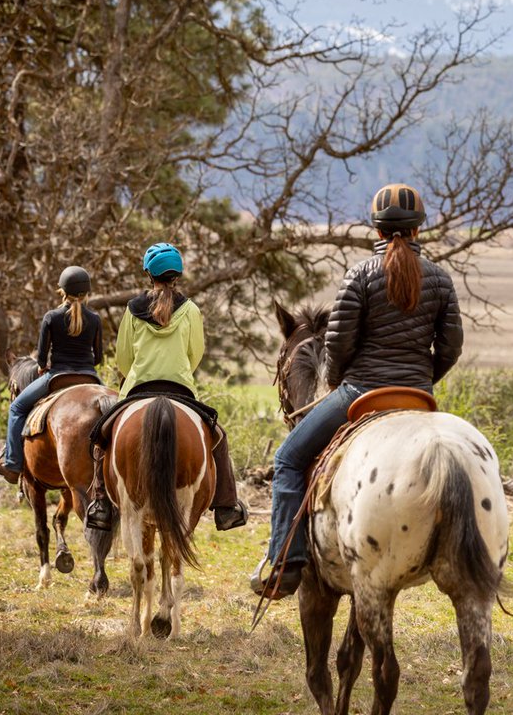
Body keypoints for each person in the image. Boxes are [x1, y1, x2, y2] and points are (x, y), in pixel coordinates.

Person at [253, 183, 464, 599]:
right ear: (419, 229)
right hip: (418, 397)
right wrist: (422, 381)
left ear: (378, 229)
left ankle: (285, 562)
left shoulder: (360, 275)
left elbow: (338, 343)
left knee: (288, 459)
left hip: (362, 392)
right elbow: (451, 347)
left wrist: (337, 380)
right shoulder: (440, 280)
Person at [84, 243, 248, 533]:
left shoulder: (132, 310)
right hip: (180, 389)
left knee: (101, 437)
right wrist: (178, 369)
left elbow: (123, 358)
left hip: (138, 388)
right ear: (177, 275)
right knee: (219, 439)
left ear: (149, 274)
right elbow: (195, 353)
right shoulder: (191, 310)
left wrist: (137, 372)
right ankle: (226, 506)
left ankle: (100, 503)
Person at [0, 266, 103, 483]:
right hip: (90, 378)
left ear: (62, 291)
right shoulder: (95, 319)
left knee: (16, 408)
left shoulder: (51, 317)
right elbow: (98, 357)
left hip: (57, 377)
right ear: (86, 292)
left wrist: (43, 366)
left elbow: (41, 359)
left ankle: (13, 464)